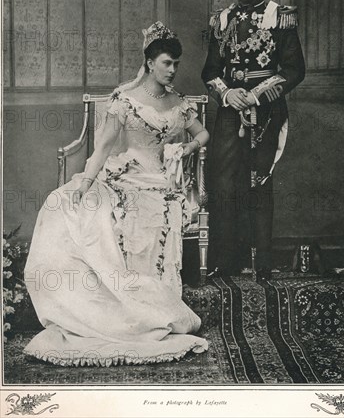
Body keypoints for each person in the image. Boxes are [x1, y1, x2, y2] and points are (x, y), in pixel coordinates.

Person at [24, 21, 209, 366]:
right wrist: (85, 182)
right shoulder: (124, 101)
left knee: (157, 211)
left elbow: (203, 134)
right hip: (125, 177)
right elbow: (103, 147)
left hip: (163, 183)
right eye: (167, 63)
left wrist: (187, 147)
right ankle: (111, 308)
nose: (173, 70)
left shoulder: (180, 103)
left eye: (176, 65)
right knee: (65, 207)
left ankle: (150, 306)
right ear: (151, 63)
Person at [202, 0, 305, 280]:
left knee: (259, 180)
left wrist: (258, 94)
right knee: (223, 182)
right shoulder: (222, 20)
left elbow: (294, 70)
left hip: (266, 111)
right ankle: (225, 259)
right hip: (231, 111)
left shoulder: (279, 17)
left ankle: (262, 262)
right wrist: (227, 93)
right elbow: (209, 71)